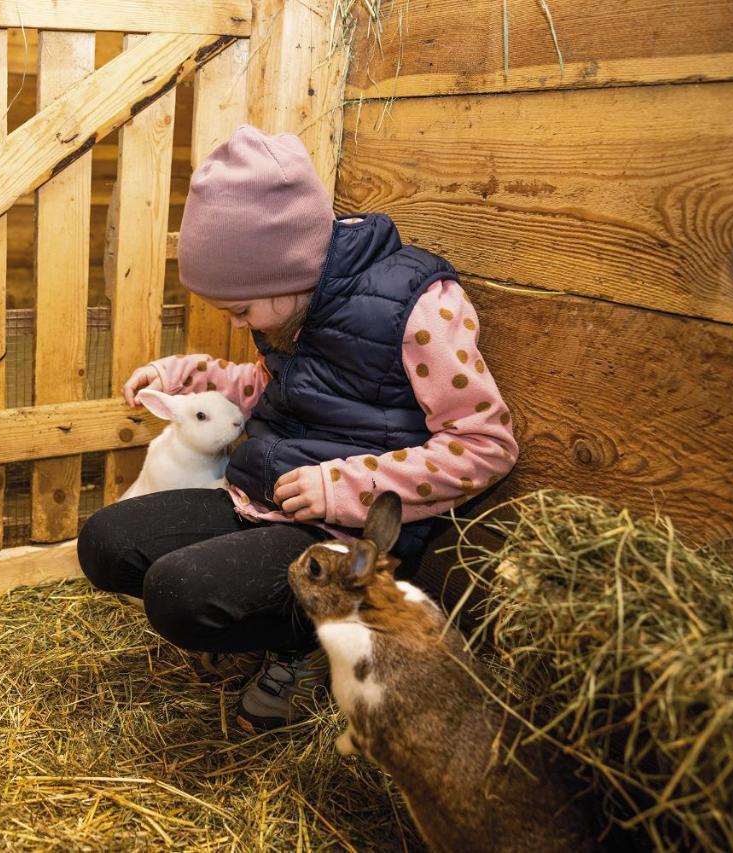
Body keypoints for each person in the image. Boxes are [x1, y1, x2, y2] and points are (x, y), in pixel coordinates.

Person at [77, 125, 519, 732]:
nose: (238, 326)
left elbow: (484, 446)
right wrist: (179, 374)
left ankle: (314, 649)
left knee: (178, 594)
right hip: (268, 497)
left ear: (288, 271)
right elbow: (264, 384)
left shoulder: (422, 308)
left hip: (346, 533)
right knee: (106, 542)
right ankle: (262, 618)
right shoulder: (295, 307)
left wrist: (346, 487)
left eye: (240, 311)